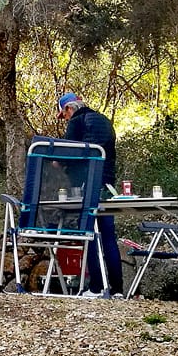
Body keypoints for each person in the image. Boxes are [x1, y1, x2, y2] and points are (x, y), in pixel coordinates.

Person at [57, 92, 123, 296]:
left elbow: (70, 154)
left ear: (69, 109)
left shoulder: (77, 121)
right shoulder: (104, 120)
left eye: (64, 115)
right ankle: (117, 289)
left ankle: (95, 288)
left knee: (89, 234)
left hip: (88, 187)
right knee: (109, 237)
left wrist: (56, 163)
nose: (65, 119)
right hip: (107, 186)